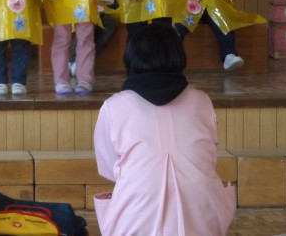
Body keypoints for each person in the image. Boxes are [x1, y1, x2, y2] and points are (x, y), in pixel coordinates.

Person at [93, 24, 236, 235]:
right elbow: (209, 160)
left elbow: (109, 168)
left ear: (131, 58)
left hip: (135, 223)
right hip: (203, 219)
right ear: (178, 55)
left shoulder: (113, 107)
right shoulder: (202, 101)